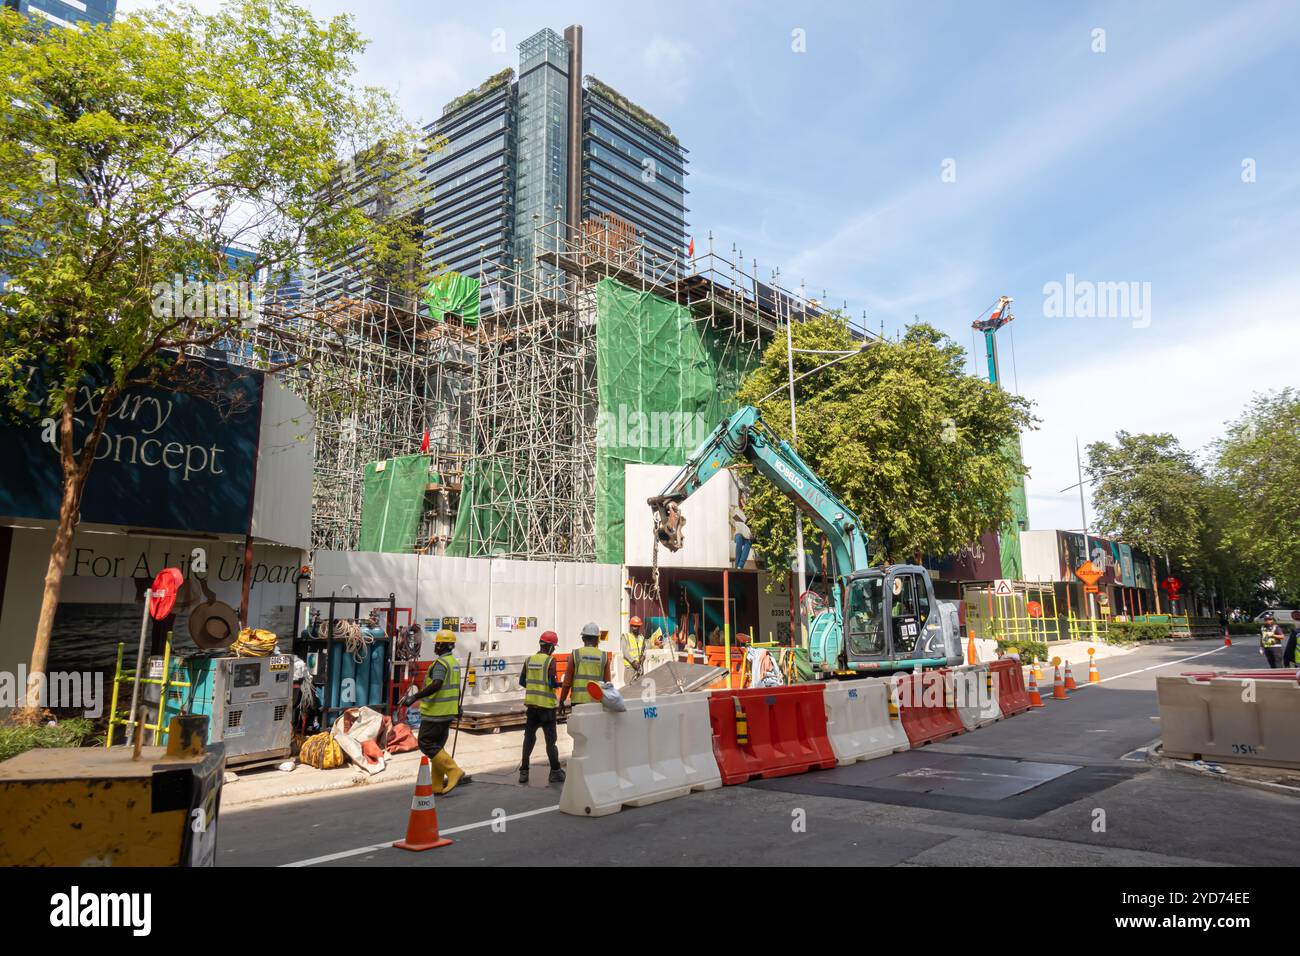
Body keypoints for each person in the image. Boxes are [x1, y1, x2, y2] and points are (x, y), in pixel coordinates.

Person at [401, 629, 471, 794]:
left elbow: (437, 684)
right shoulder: (453, 663)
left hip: (435, 713)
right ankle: (437, 785)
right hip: (447, 712)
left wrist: (415, 696)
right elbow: (455, 688)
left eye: (437, 644)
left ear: (441, 645)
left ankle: (453, 770)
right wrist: (457, 707)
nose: (435, 647)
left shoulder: (440, 664)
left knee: (425, 743)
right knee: (438, 747)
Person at [519, 631, 565, 785]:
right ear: (551, 647)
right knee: (550, 742)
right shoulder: (550, 661)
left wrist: (534, 686)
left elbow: (522, 681)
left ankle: (524, 772)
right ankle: (555, 771)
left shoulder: (529, 660)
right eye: (554, 647)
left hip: (532, 707)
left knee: (529, 739)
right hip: (546, 708)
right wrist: (561, 685)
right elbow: (552, 683)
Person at [560, 622, 610, 708]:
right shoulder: (604, 656)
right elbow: (608, 684)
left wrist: (562, 700)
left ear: (583, 638)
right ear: (598, 639)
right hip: (597, 701)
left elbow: (567, 683)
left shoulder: (575, 654)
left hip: (578, 701)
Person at [731, 496, 753, 570]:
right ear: (740, 500)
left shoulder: (750, 512)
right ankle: (737, 565)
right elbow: (739, 524)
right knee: (739, 538)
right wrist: (746, 523)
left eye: (745, 499)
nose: (744, 501)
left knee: (749, 541)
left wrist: (747, 511)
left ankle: (740, 565)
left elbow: (751, 525)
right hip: (739, 533)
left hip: (747, 535)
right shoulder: (736, 510)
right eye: (742, 499)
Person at [622, 616, 646, 681]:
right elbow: (625, 652)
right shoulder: (626, 636)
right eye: (634, 625)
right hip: (630, 667)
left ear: (639, 626)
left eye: (637, 626)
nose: (635, 627)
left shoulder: (642, 637)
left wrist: (643, 656)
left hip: (640, 667)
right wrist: (633, 662)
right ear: (631, 626)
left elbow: (644, 650)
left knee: (640, 687)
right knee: (629, 688)